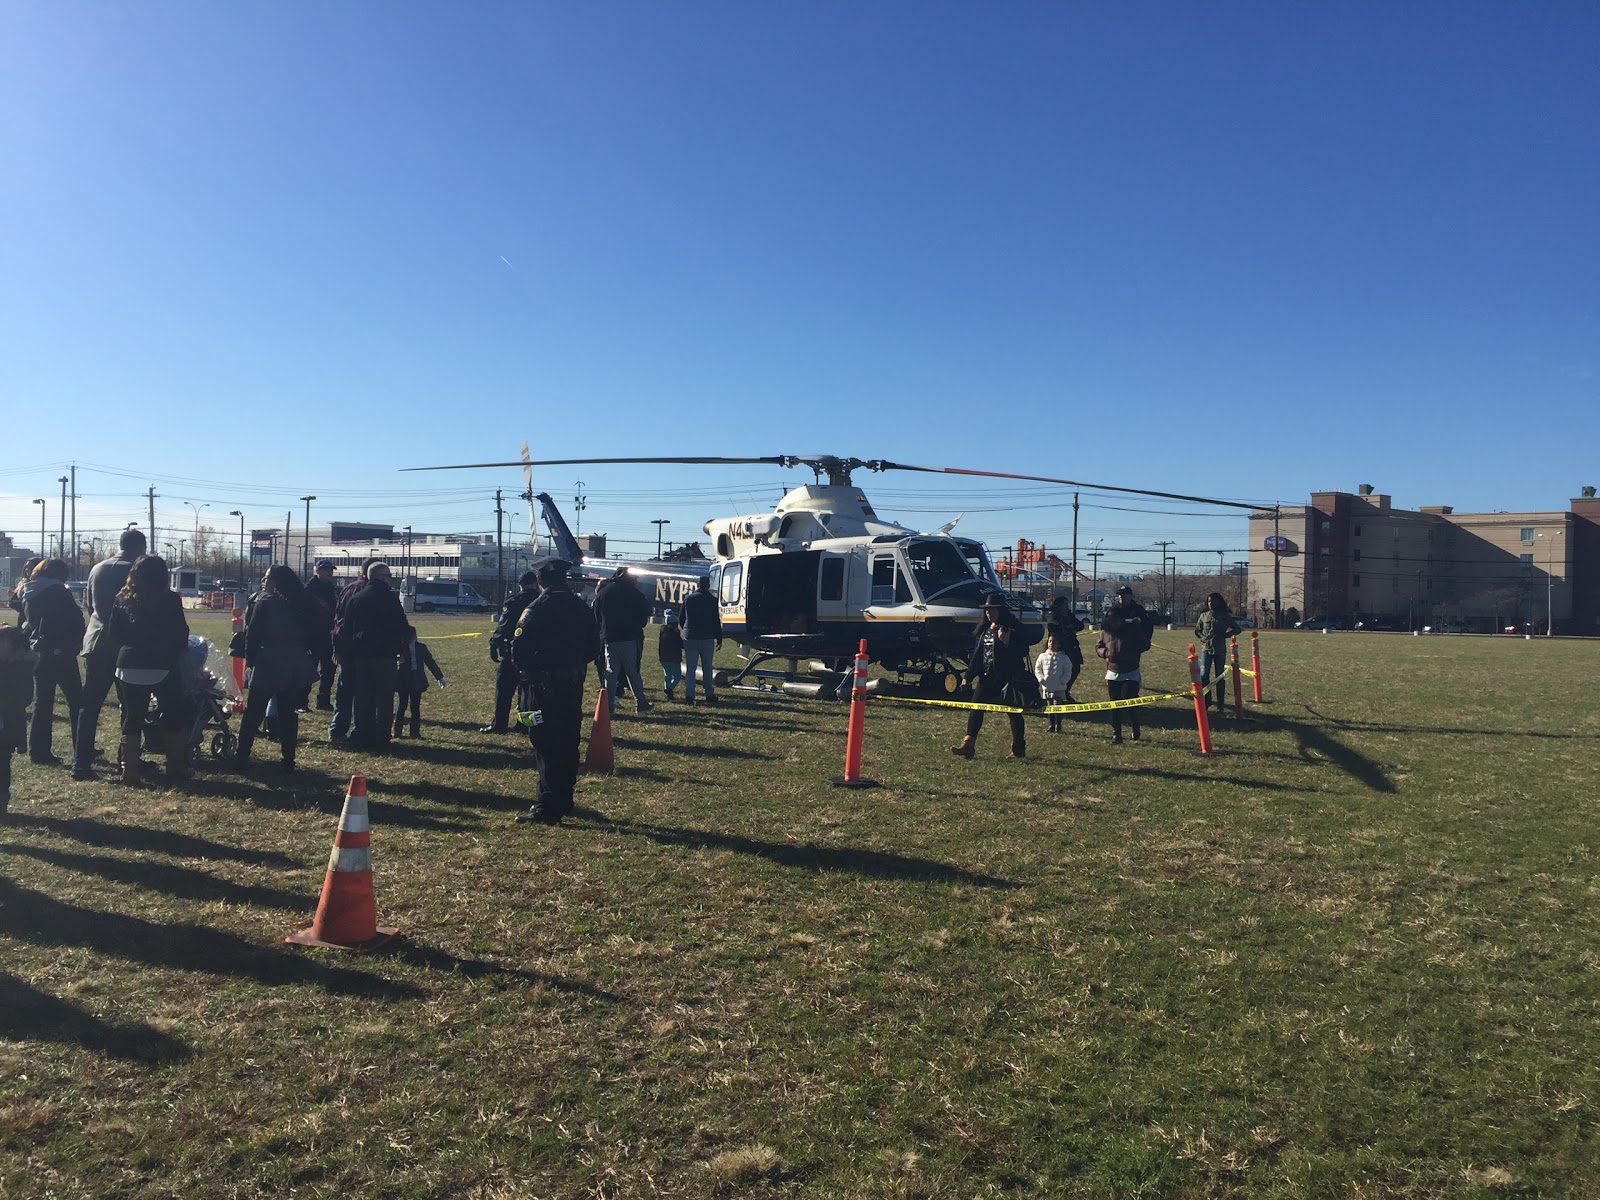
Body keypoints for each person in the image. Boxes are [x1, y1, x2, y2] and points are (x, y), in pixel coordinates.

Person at [512, 559, 599, 825]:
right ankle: (564, 799)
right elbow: (594, 646)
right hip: (571, 685)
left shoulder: (536, 608)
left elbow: (519, 651)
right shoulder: (581, 607)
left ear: (540, 581)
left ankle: (547, 806)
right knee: (568, 740)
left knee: (546, 744)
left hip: (542, 687)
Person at [108, 555, 191, 784]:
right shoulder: (170, 599)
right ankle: (175, 766)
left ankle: (129, 770)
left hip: (129, 663)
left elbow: (114, 633)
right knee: (172, 715)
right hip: (162, 663)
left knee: (132, 717)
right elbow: (180, 633)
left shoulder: (122, 598)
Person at [234, 565, 326, 773]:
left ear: (274, 582)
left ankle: (241, 756)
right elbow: (317, 629)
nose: (264, 582)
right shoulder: (302, 601)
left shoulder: (265, 602)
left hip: (268, 660)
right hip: (293, 661)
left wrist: (251, 660)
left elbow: (253, 634)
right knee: (288, 714)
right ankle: (288, 760)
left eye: (266, 578)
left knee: (253, 714)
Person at [72, 527, 146, 780]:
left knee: (90, 705)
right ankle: (127, 760)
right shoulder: (139, 569)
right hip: (126, 644)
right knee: (130, 705)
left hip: (96, 640)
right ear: (141, 547)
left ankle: (80, 763)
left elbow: (88, 604)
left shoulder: (98, 568)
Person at [20, 558, 86, 767]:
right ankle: (82, 746)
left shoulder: (30, 592)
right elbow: (70, 619)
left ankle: (39, 750)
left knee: (43, 703)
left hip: (40, 651)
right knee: (77, 702)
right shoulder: (57, 593)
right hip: (61, 651)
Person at [340, 562, 408, 750]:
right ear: (382, 577)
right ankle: (381, 736)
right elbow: (402, 625)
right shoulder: (390, 599)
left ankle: (363, 733)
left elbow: (347, 629)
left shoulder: (357, 598)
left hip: (361, 655)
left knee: (363, 696)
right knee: (384, 698)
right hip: (385, 655)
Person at [951, 593, 1028, 760]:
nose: (988, 613)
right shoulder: (984, 630)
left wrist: (1007, 642)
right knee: (976, 708)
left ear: (1000, 610)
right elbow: (978, 656)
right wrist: (968, 676)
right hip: (986, 678)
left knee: (1013, 713)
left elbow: (1022, 650)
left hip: (1008, 679)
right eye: (986, 610)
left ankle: (1018, 749)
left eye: (991, 610)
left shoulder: (1012, 628)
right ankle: (968, 745)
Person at [327, 558, 382, 741]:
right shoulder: (371, 592)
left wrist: (336, 646)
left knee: (344, 690)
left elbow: (337, 619)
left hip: (344, 645)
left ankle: (337, 729)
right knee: (364, 692)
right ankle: (361, 729)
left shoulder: (348, 589)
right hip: (364, 648)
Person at [482, 569, 539, 733]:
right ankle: (524, 724)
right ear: (535, 583)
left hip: (512, 650)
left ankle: (499, 724)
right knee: (527, 691)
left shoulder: (513, 602)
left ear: (520, 585)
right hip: (534, 653)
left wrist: (494, 643)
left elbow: (503, 627)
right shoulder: (541, 601)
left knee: (504, 689)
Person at [595, 567, 652, 715]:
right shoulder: (634, 593)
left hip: (609, 637)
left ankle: (608, 705)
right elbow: (646, 611)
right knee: (632, 672)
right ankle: (641, 703)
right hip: (628, 637)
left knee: (611, 672)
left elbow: (596, 614)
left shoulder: (605, 592)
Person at [0, 624, 36, 815]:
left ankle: (2, 801)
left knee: (3, 762)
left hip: (7, 724)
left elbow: (25, 698)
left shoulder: (20, 669)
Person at [1095, 608, 1144, 745]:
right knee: (1115, 705)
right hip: (1113, 672)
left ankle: (1135, 725)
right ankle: (1117, 734)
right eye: (1111, 621)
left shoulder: (1132, 629)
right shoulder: (1105, 631)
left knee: (1128, 701)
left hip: (1130, 671)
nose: (1114, 623)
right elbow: (1098, 646)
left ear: (1122, 619)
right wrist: (1105, 653)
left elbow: (1145, 644)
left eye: (1116, 620)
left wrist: (1132, 652)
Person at [394, 623, 446, 739]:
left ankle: (398, 731)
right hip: (416, 681)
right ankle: (414, 732)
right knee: (413, 706)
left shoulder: (400, 648)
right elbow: (430, 663)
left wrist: (440, 677)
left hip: (404, 682)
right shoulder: (420, 648)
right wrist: (440, 677)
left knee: (403, 705)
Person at [1194, 591, 1240, 716]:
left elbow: (1237, 628)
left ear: (1219, 602)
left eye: (1213, 601)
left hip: (1220, 650)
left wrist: (1226, 635)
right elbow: (1197, 630)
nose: (1211, 603)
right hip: (1206, 650)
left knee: (1219, 677)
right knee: (1204, 676)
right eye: (1209, 601)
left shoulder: (1225, 616)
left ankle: (1220, 704)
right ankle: (1207, 702)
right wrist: (1203, 638)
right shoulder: (1204, 616)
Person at [303, 560, 340, 710]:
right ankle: (302, 701)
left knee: (328, 670)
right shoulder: (308, 589)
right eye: (326, 570)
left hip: (328, 635)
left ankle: (323, 701)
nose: (330, 573)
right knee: (308, 670)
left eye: (331, 570)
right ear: (317, 571)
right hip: (312, 636)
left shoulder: (331, 588)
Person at [680, 574, 722, 705]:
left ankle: (689, 695)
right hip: (707, 636)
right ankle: (709, 694)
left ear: (697, 584)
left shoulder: (688, 598)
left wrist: (686, 630)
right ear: (708, 585)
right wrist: (719, 637)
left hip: (691, 636)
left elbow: (682, 618)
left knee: (691, 668)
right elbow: (716, 620)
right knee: (707, 667)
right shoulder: (712, 600)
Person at [1043, 595, 1085, 703]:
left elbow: (1080, 625)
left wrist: (1071, 626)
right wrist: (1069, 628)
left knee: (1075, 668)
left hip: (1071, 646)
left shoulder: (1069, 615)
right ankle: (1057, 694)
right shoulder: (1053, 614)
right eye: (1064, 604)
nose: (1066, 607)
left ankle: (1066, 691)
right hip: (1058, 647)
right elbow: (1053, 626)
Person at [1034, 634, 1073, 734]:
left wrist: (1063, 681)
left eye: (1054, 642)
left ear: (1059, 644)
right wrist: (1041, 679)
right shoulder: (1042, 656)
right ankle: (1051, 725)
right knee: (1049, 706)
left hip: (1059, 687)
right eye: (1050, 641)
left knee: (1058, 707)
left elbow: (1068, 670)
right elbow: (1038, 668)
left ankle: (1058, 726)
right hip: (1047, 686)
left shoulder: (1064, 658)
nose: (1051, 644)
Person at [658, 609, 684, 701]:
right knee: (677, 676)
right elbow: (681, 644)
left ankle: (669, 693)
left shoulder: (662, 632)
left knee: (667, 675)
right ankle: (669, 689)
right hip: (675, 658)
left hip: (664, 657)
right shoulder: (676, 633)